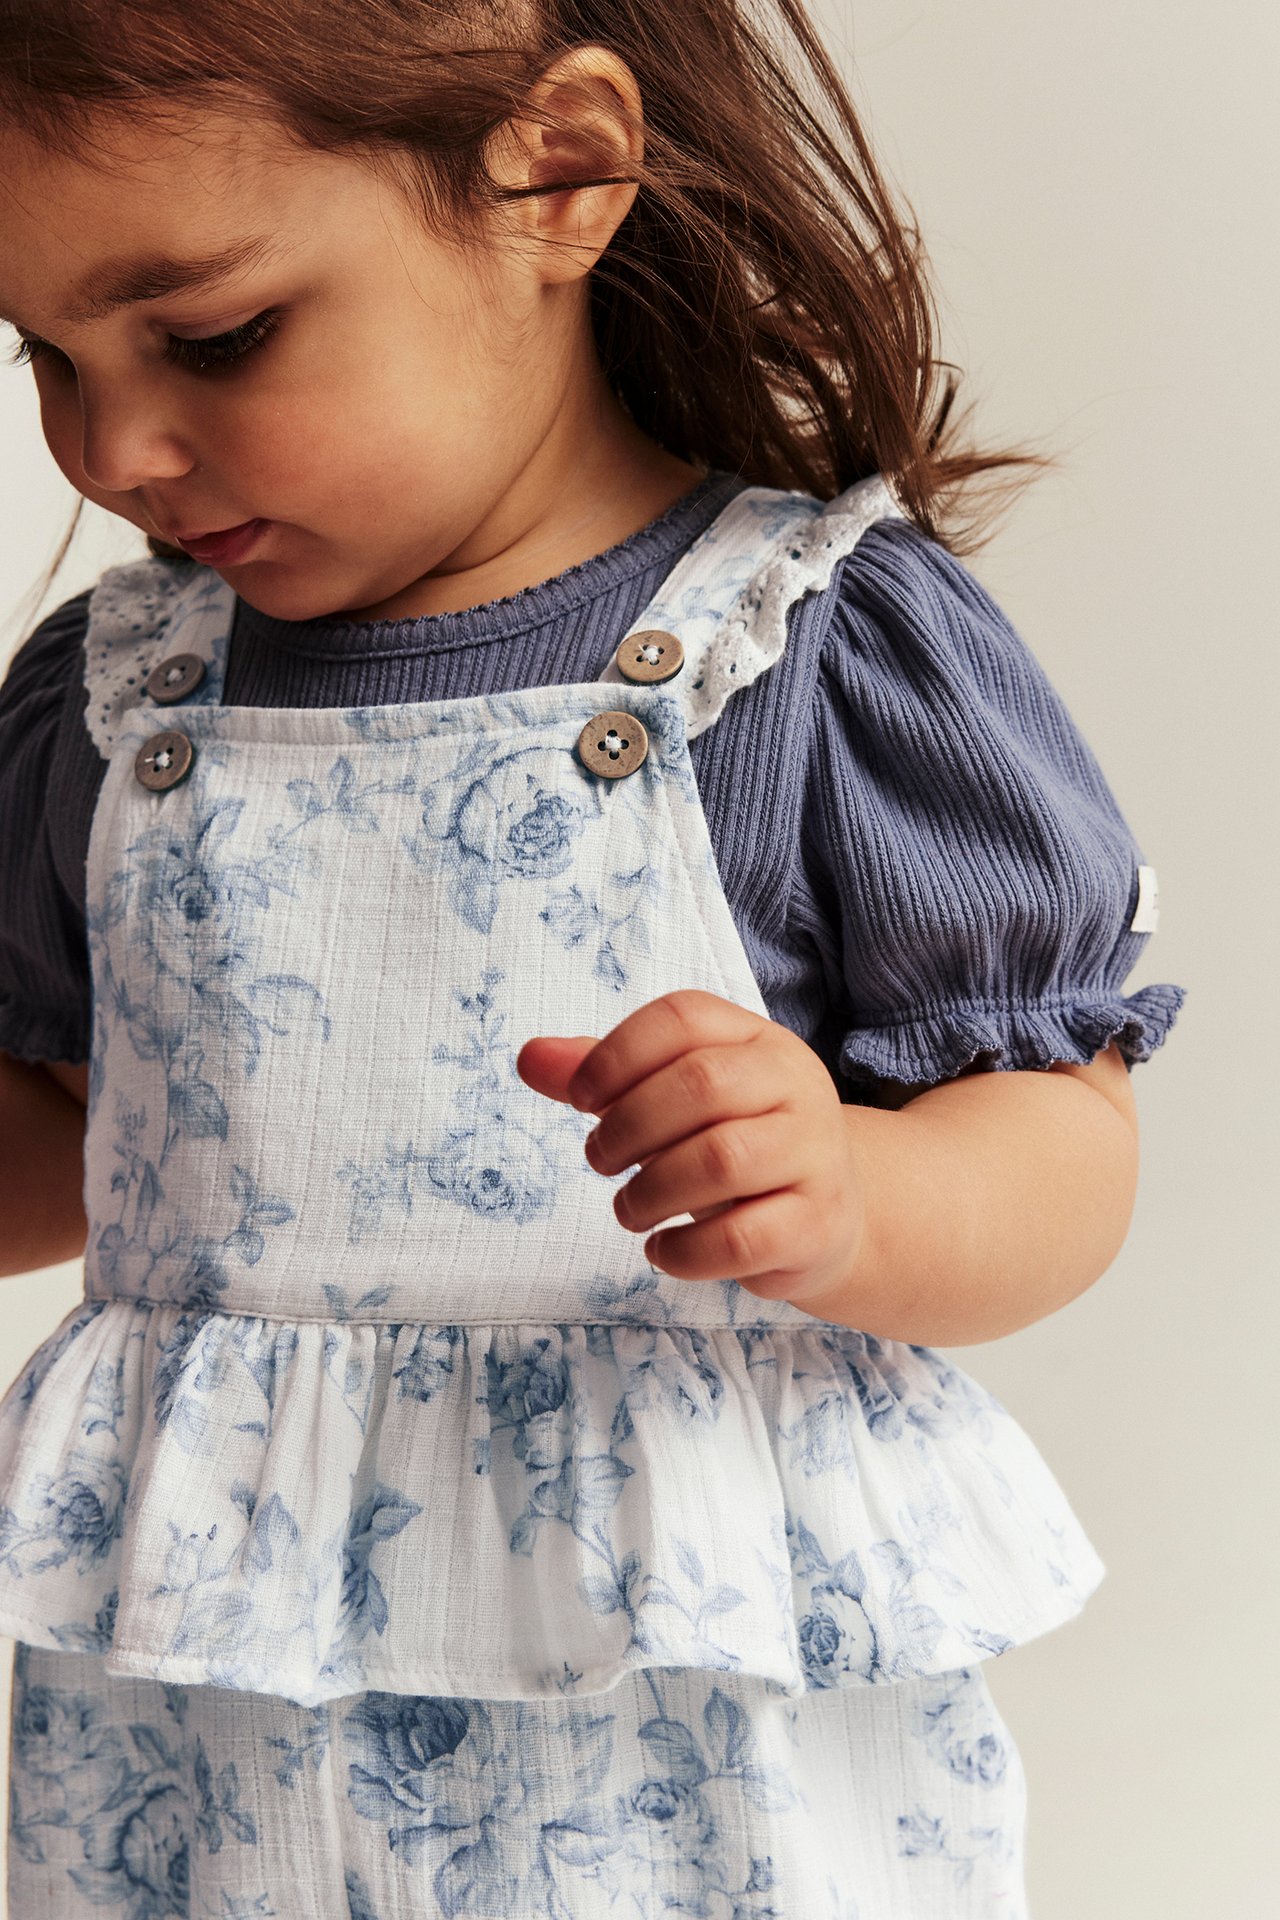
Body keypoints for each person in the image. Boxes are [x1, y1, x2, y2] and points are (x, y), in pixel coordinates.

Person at [0, 1, 1185, 1914]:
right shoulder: (119, 699)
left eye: (214, 335)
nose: (110, 443)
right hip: (217, 1736)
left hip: (677, 1709)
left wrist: (853, 1189)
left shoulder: (801, 651)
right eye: (42, 351)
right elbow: (75, 1124)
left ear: (557, 174)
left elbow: (1067, 1144)